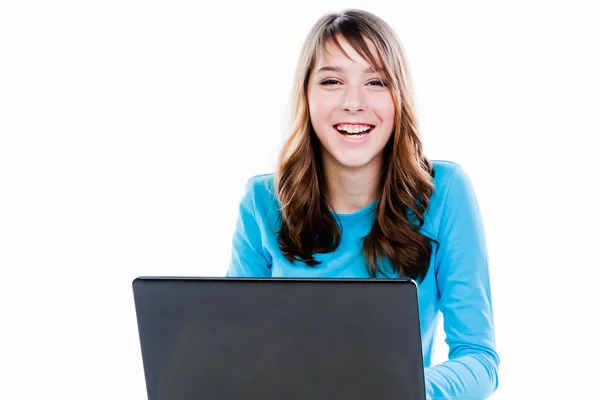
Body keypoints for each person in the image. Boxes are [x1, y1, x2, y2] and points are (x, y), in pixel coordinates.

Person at [226, 8, 499, 400]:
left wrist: (397, 388)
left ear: (398, 98)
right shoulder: (263, 202)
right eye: (332, 80)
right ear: (306, 95)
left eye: (375, 81)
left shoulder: (445, 192)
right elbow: (235, 348)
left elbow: (479, 359)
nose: (354, 103)